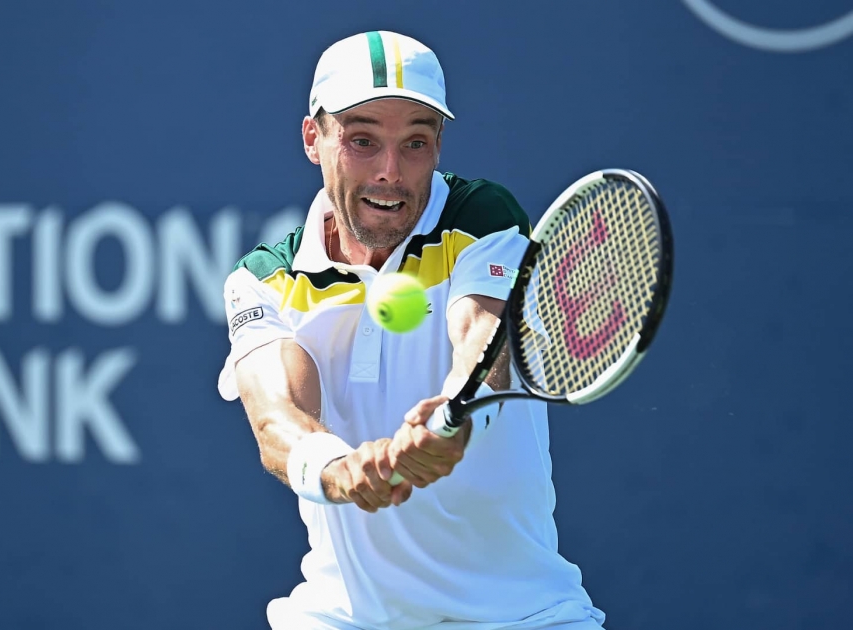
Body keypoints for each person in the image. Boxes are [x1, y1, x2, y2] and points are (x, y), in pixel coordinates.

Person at [218, 30, 606, 630]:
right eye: (362, 140)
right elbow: (279, 421)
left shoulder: (482, 219)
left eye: (415, 143)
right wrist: (340, 471)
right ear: (312, 139)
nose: (390, 173)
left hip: (524, 618)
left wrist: (453, 416)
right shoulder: (264, 280)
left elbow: (481, 335)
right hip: (338, 618)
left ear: (439, 144)